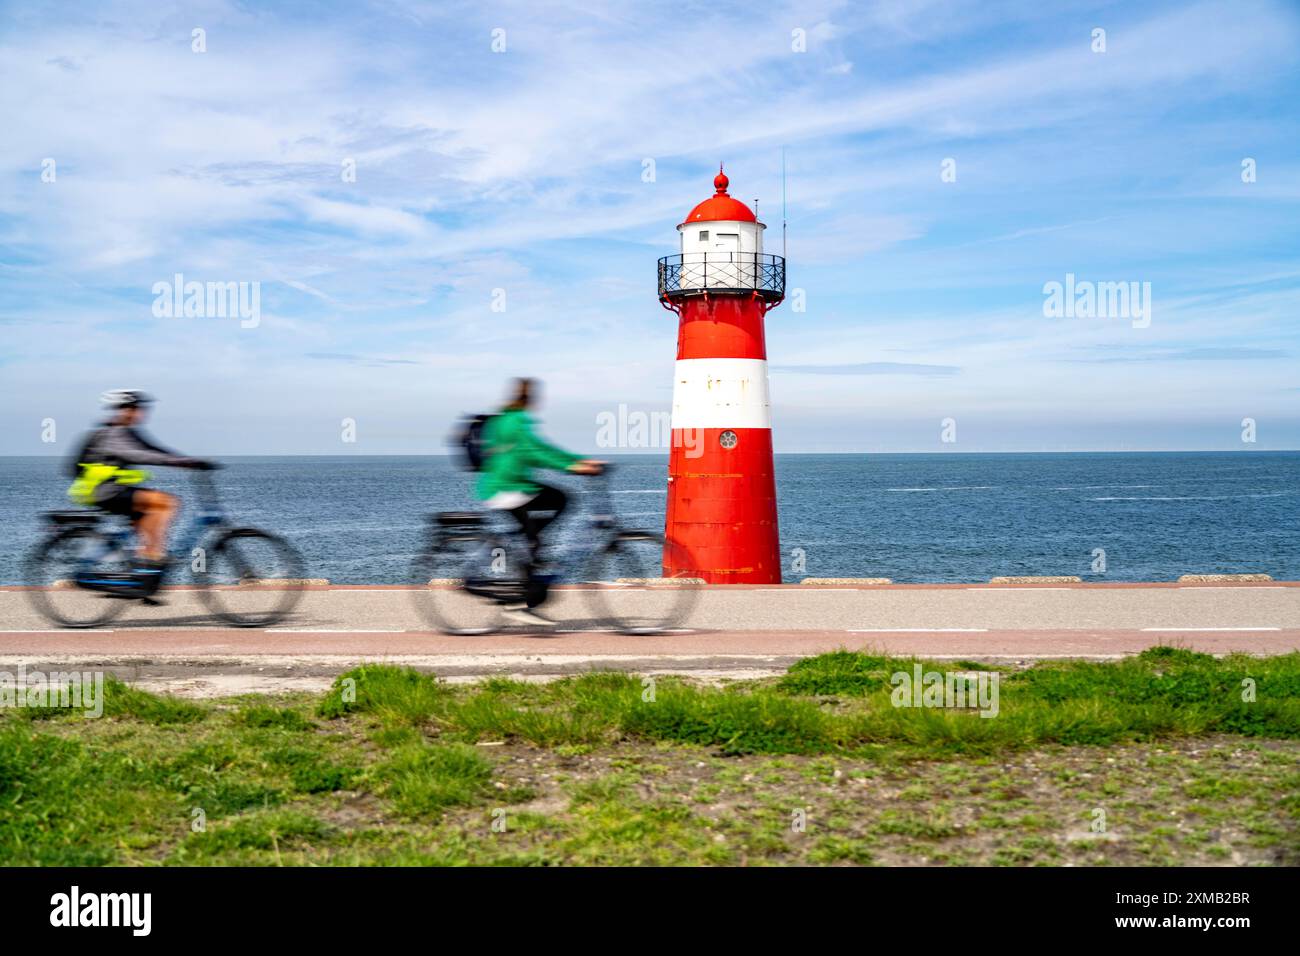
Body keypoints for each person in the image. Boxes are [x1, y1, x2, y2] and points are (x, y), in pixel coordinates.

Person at [477, 378, 604, 626]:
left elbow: (542, 449)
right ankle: (516, 604)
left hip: (504, 485)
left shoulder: (506, 418)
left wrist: (579, 460)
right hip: (508, 488)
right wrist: (574, 467)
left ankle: (528, 547)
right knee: (557, 502)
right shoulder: (517, 421)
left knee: (547, 515)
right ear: (531, 398)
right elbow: (534, 453)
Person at [67, 389, 213, 592]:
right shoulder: (113, 433)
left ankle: (146, 571)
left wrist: (188, 461)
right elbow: (138, 455)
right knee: (166, 502)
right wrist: (181, 462)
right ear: (122, 410)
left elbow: (155, 449)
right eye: (135, 408)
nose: (140, 413)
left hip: (116, 490)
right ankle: (150, 561)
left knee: (153, 513)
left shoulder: (129, 431)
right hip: (105, 492)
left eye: (140, 408)